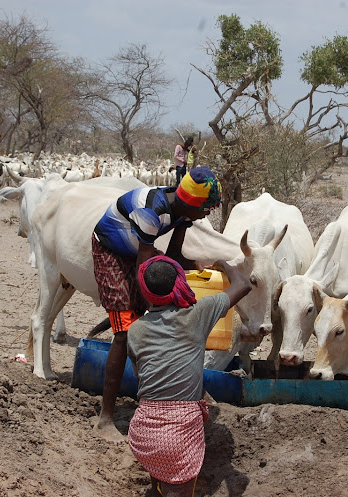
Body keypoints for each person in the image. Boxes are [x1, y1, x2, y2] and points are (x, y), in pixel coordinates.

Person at [92, 166, 223, 441]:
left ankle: (182, 394)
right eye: (207, 208)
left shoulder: (183, 212)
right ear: (193, 202)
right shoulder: (151, 212)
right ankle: (105, 418)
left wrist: (199, 265)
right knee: (125, 332)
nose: (209, 214)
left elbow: (174, 255)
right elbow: (144, 272)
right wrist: (161, 315)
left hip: (141, 250)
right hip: (112, 252)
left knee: (170, 315)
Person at [127, 255, 250, 497]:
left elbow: (141, 376)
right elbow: (243, 285)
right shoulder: (198, 314)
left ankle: (157, 489)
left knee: (161, 470)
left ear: (146, 292)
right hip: (179, 434)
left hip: (144, 429)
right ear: (182, 283)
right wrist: (223, 264)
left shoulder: (136, 329)